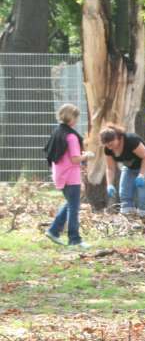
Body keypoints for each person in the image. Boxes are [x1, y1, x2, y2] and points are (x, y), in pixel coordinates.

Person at [43, 104, 93, 247]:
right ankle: (74, 239)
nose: (77, 120)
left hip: (59, 174)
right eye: (76, 117)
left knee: (71, 204)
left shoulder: (57, 132)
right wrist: (88, 155)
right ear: (72, 118)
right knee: (74, 207)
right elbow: (75, 159)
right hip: (71, 176)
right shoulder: (71, 136)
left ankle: (53, 231)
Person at [100, 124, 145, 217]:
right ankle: (129, 223)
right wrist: (109, 184)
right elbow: (110, 168)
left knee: (143, 196)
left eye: (111, 144)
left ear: (118, 138)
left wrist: (142, 175)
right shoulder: (108, 149)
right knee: (124, 194)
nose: (110, 148)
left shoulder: (131, 141)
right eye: (107, 145)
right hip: (129, 167)